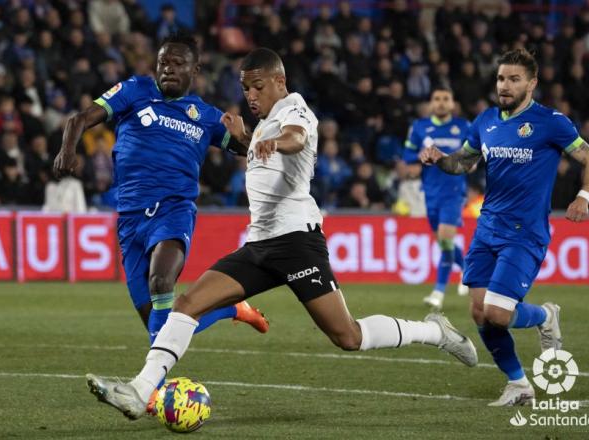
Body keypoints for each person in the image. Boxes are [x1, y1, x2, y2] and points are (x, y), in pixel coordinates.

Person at [85, 47, 478, 420]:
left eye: (258, 87)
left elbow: (297, 137)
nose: (251, 95)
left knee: (348, 336)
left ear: (279, 81)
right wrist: (246, 135)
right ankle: (139, 391)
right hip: (258, 245)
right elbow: (259, 148)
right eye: (244, 89)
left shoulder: (296, 109)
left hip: (297, 243)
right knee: (186, 305)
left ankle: (433, 330)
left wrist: (274, 141)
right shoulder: (259, 126)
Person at [53, 32, 268, 347]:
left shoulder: (205, 116)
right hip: (130, 216)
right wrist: (67, 151)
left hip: (173, 209)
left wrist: (247, 135)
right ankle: (230, 309)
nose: (168, 68)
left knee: (160, 280)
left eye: (178, 63)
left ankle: (152, 388)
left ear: (194, 71)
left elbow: (253, 149)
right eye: (163, 62)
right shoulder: (134, 90)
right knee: (160, 325)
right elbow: (79, 120)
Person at [419, 49, 589, 406]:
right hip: (487, 228)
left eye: (514, 79)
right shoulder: (486, 121)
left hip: (525, 232)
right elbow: (464, 163)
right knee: (478, 311)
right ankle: (519, 383)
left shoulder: (551, 122)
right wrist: (441, 160)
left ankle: (546, 315)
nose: (505, 85)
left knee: (498, 314)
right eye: (502, 78)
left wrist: (583, 196)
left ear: (531, 83)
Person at [403, 86, 470, 310]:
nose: (441, 102)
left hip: (453, 190)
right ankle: (467, 270)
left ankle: (438, 292)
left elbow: (473, 154)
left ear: (452, 104)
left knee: (444, 239)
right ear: (431, 104)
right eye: (437, 99)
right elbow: (406, 154)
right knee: (444, 243)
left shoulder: (463, 127)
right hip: (430, 192)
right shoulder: (420, 127)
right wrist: (420, 154)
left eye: (445, 99)